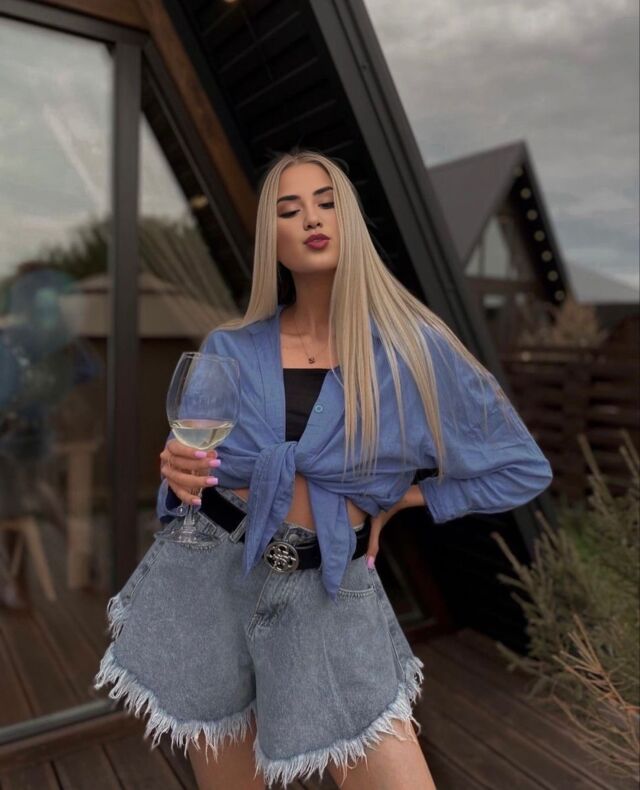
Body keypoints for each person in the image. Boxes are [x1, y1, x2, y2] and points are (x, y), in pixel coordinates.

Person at [94, 148, 553, 789]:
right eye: (289, 209)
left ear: (348, 221)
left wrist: (405, 502)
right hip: (212, 572)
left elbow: (520, 467)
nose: (311, 218)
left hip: (330, 588)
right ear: (273, 240)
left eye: (327, 202)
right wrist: (177, 470)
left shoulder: (412, 351)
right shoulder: (230, 347)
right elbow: (192, 473)